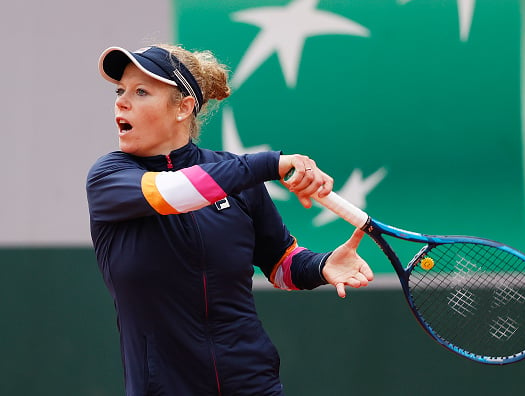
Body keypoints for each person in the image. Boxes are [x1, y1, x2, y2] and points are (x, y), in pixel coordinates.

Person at [86, 43, 374, 396]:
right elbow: (172, 192)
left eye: (140, 91)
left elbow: (280, 263)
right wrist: (273, 164)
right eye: (120, 90)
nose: (121, 101)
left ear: (183, 108)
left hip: (253, 385)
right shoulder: (109, 178)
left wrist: (322, 265)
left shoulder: (237, 179)